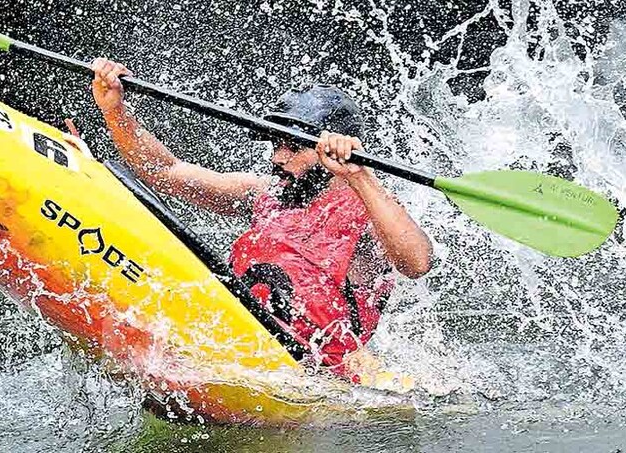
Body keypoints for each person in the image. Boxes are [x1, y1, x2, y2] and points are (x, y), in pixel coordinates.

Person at [90, 58, 433, 387]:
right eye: (276, 144)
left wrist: (359, 175)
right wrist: (115, 111)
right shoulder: (264, 195)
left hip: (319, 378)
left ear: (334, 155)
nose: (277, 158)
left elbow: (417, 263)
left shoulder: (368, 213)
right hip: (240, 345)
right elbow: (166, 173)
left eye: (293, 148)